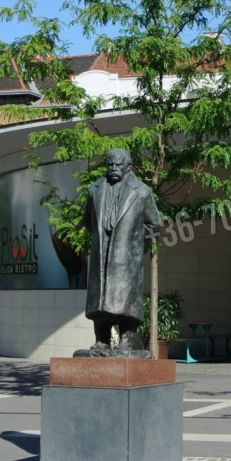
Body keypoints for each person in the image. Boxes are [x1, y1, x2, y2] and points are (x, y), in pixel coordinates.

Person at [84, 148, 161, 352]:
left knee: (125, 299)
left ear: (129, 167)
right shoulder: (94, 190)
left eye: (119, 165)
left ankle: (129, 337)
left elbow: (154, 225)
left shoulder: (142, 192)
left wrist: (136, 248)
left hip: (127, 258)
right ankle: (102, 339)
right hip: (101, 253)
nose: (114, 168)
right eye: (110, 164)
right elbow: (88, 221)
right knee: (100, 300)